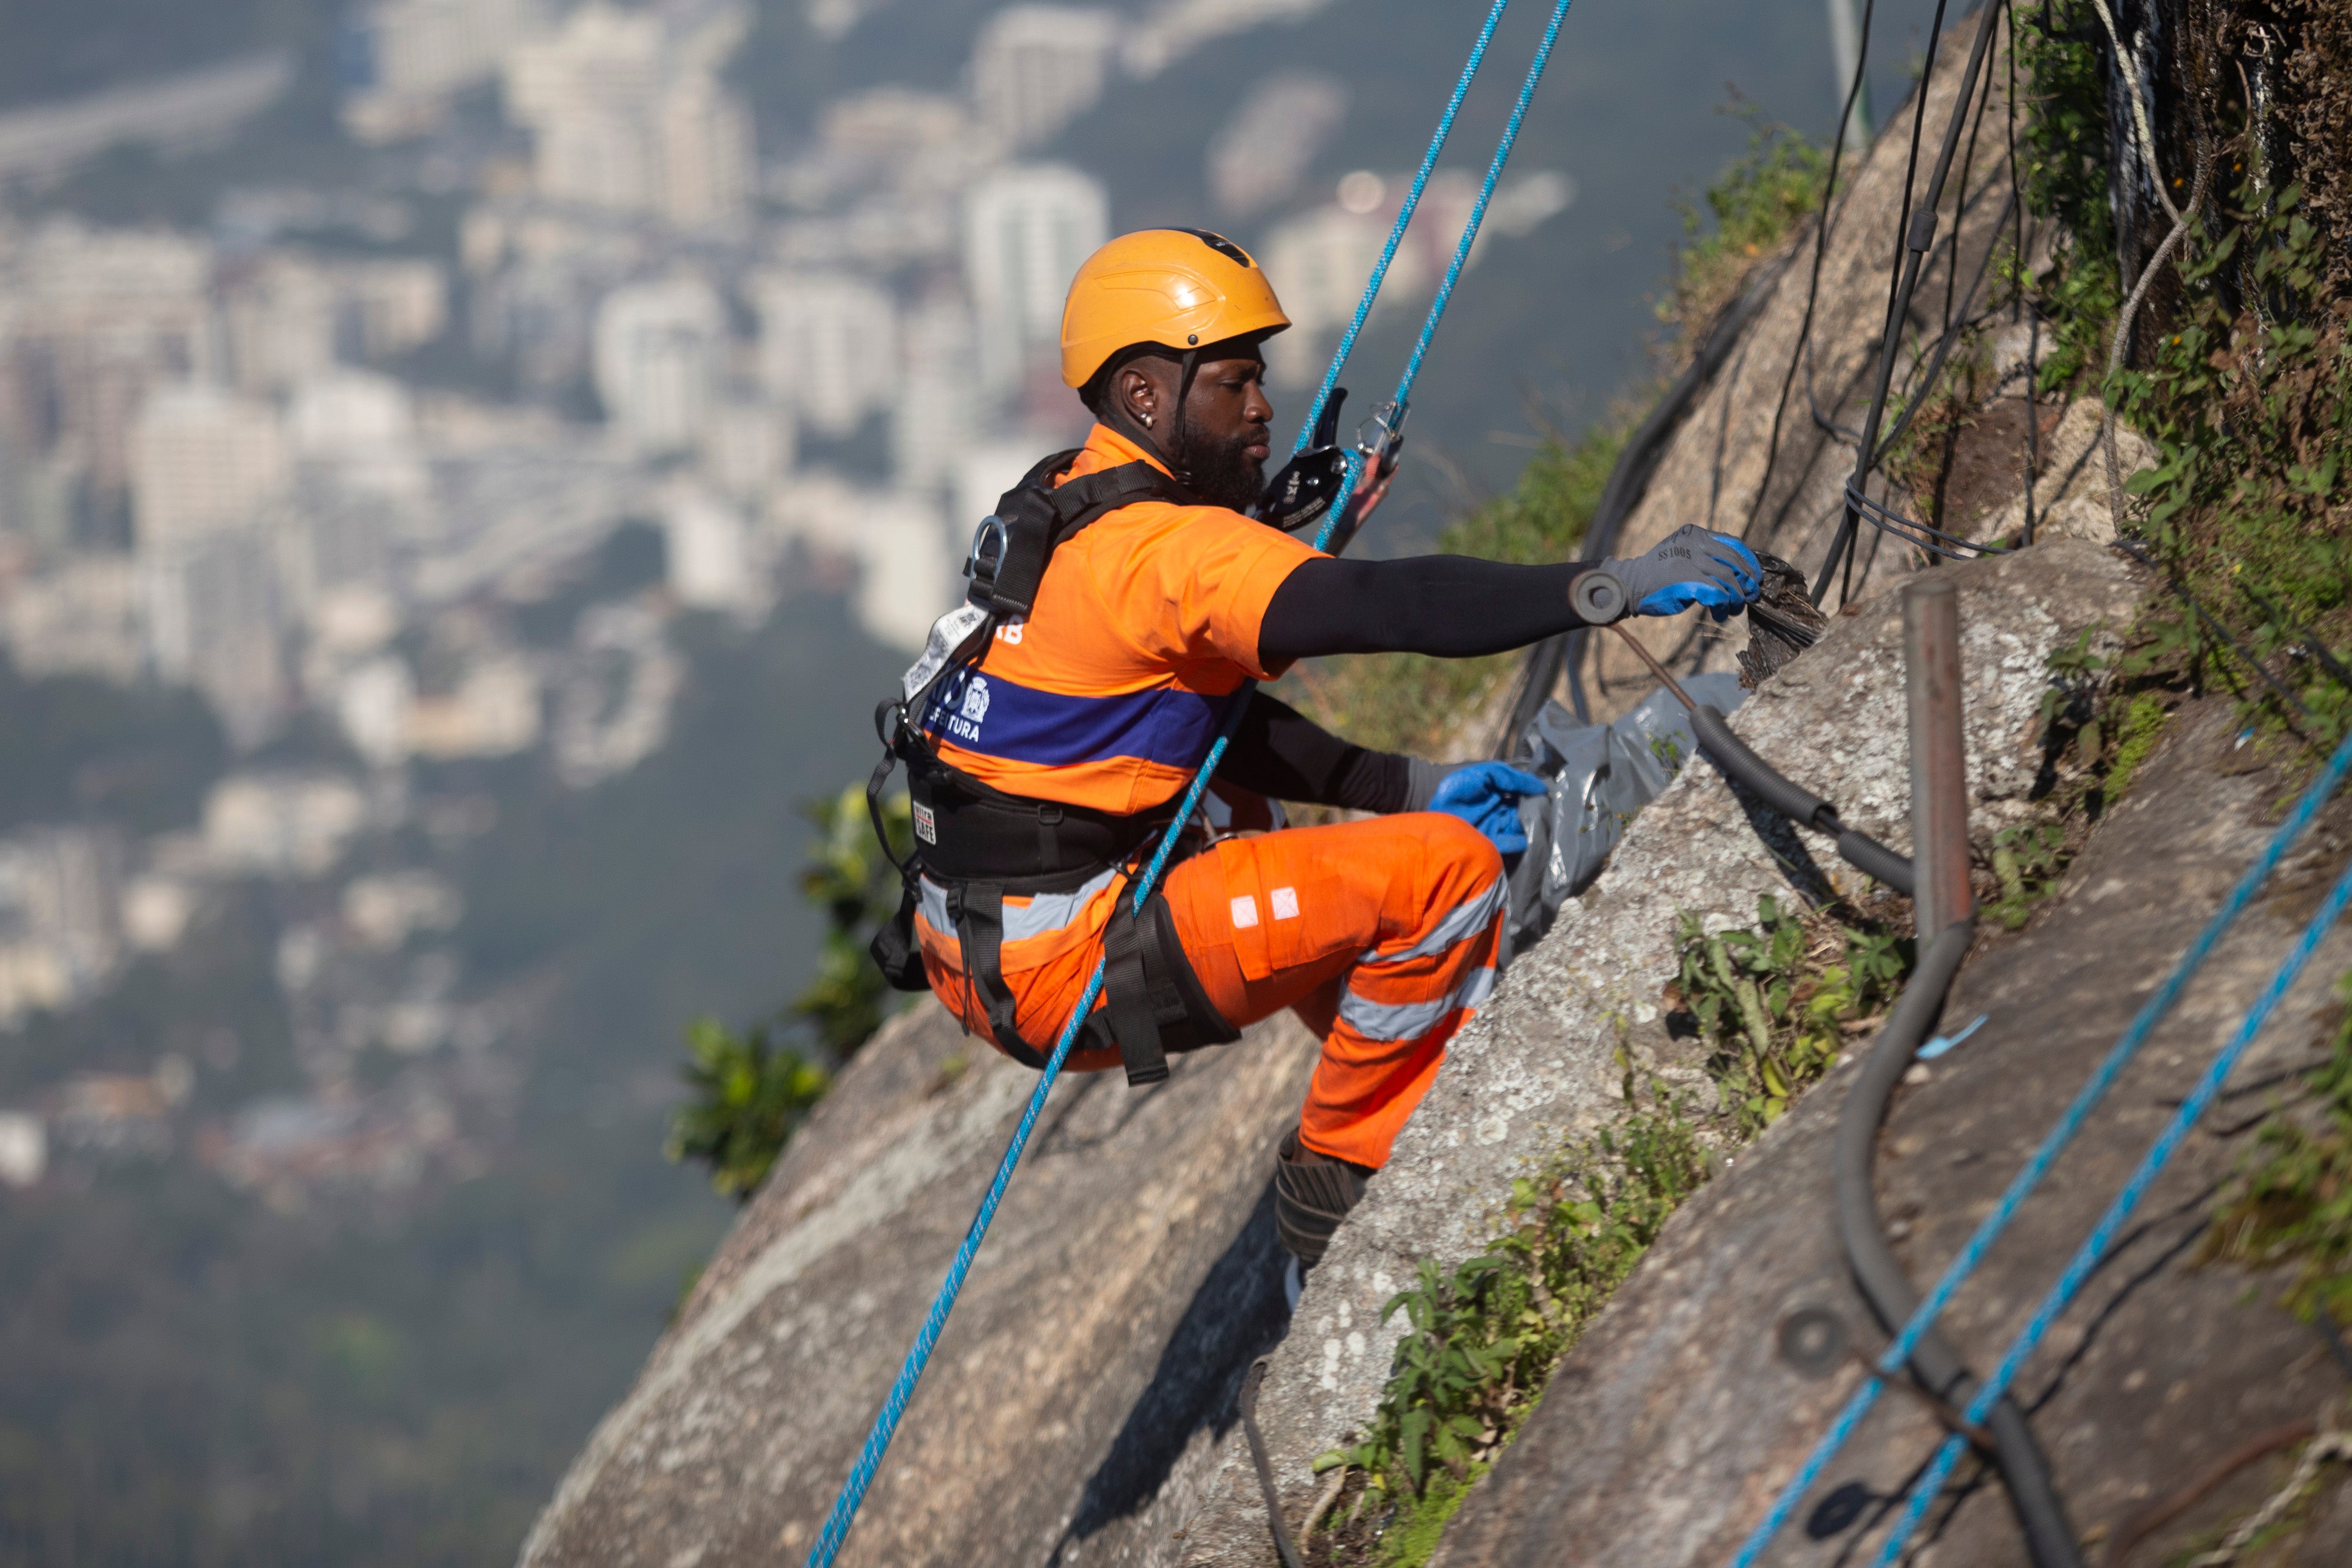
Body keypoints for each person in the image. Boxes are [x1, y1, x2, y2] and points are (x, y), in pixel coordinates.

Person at [876, 228, 1759, 1294]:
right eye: (1237, 382)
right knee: (1446, 875)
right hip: (1066, 967)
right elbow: (1396, 606)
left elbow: (1186, 721)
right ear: (1148, 395)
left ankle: (1380, 1021)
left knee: (1252, 808)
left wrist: (1408, 786)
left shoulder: (1066, 500)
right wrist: (1600, 587)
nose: (1263, 409)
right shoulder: (1174, 554)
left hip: (981, 940)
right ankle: (1339, 1186)